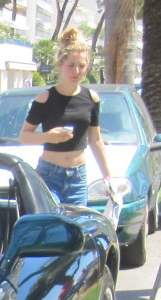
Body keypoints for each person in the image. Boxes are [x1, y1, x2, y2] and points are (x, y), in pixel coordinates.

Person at [18, 27, 113, 206]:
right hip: (49, 175)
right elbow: (24, 136)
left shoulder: (91, 98)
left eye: (82, 66)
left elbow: (96, 139)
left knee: (76, 229)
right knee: (53, 226)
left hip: (78, 177)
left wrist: (108, 177)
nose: (76, 71)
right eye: (71, 65)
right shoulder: (45, 98)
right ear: (60, 65)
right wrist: (48, 137)